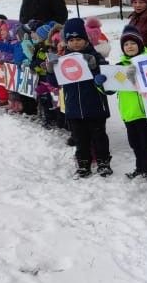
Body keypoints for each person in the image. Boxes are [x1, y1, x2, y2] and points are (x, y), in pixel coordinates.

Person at [47, 17, 114, 179]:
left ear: (86, 39)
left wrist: (95, 70)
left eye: (79, 39)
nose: (75, 43)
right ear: (66, 42)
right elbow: (56, 83)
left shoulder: (95, 57)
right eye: (71, 40)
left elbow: (108, 79)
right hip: (74, 108)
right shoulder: (63, 61)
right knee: (80, 138)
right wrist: (50, 70)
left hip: (95, 106)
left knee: (99, 137)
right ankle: (83, 163)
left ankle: (103, 161)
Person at [115, 26, 147, 180]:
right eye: (126, 44)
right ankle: (140, 168)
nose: (129, 46)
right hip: (129, 112)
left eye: (133, 43)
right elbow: (110, 90)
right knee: (135, 143)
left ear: (140, 44)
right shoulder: (119, 67)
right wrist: (102, 83)